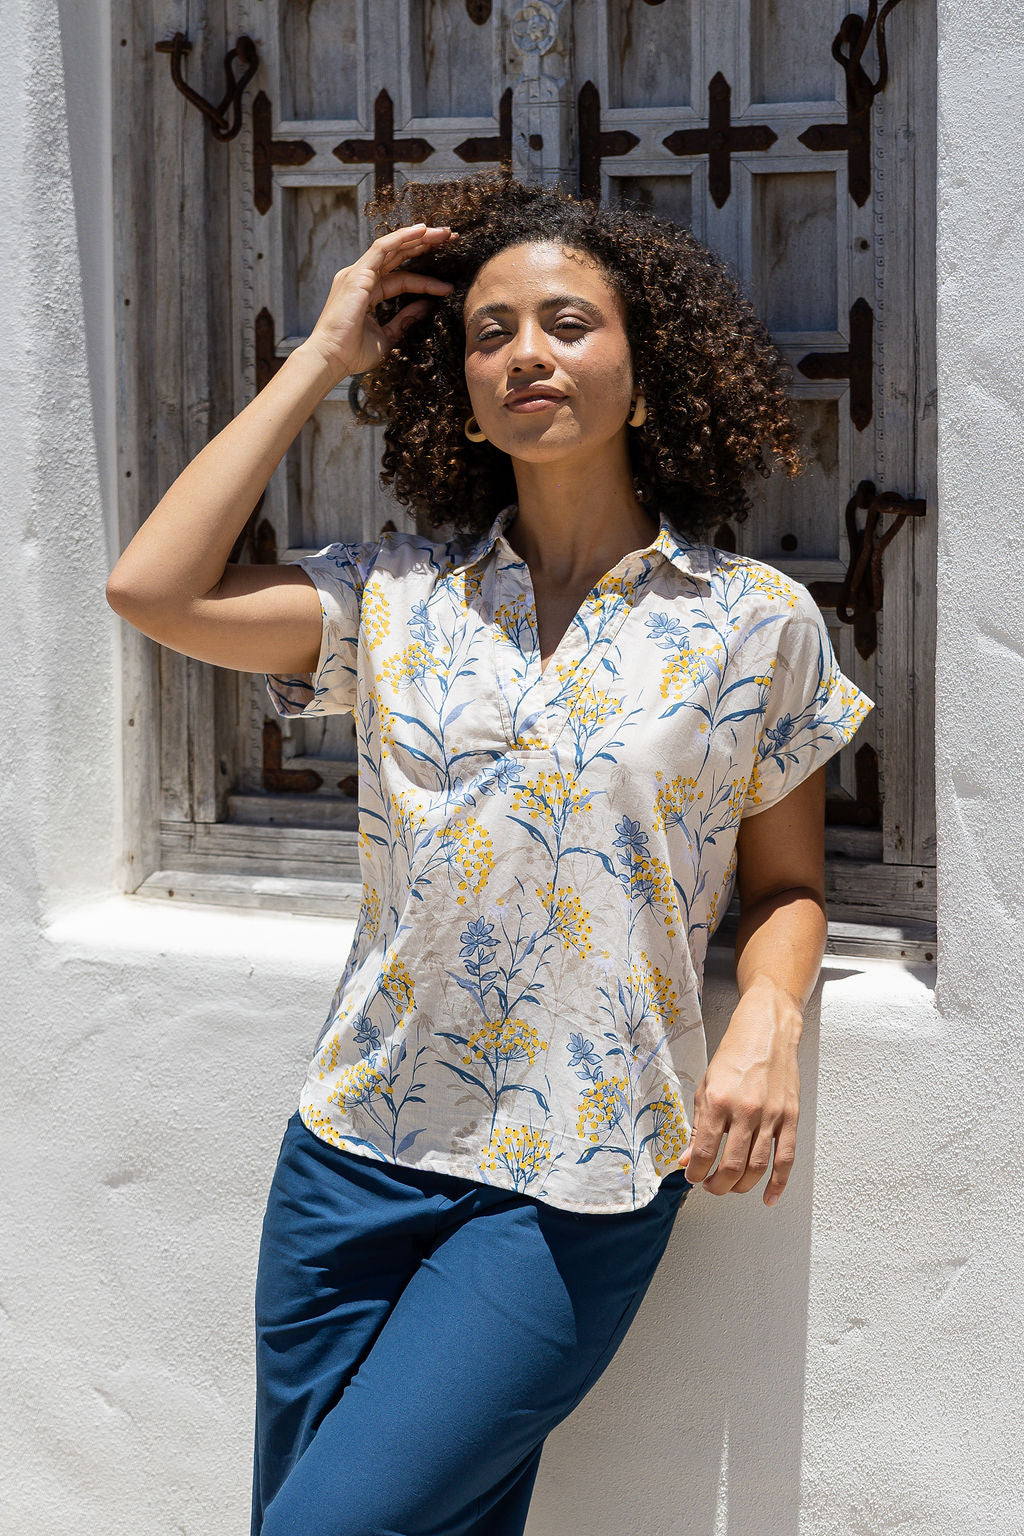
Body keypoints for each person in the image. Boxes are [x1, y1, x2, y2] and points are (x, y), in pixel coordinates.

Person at [106, 170, 874, 1536]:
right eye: (489, 331)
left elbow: (785, 884)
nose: (526, 351)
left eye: (569, 323)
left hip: (573, 1180)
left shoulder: (753, 624)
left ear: (647, 374)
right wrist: (322, 354)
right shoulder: (391, 599)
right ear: (459, 390)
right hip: (353, 1154)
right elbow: (150, 588)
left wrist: (766, 1016)